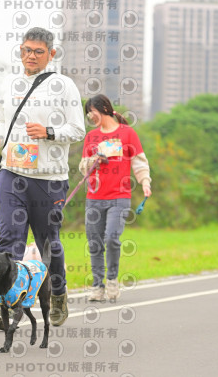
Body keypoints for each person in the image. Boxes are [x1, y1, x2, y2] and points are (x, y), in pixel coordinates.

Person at [0, 27, 85, 327]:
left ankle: (58, 293)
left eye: (38, 52)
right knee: (8, 238)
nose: (31, 56)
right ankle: (5, 301)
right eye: (26, 50)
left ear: (51, 54)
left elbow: (77, 129)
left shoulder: (63, 86)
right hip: (12, 172)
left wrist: (49, 132)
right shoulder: (9, 83)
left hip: (48, 178)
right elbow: (2, 122)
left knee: (47, 243)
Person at [79, 95, 151, 301]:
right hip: (94, 197)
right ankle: (97, 286)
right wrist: (94, 160)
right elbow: (83, 167)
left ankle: (111, 279)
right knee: (94, 243)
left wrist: (145, 182)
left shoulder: (127, 133)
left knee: (111, 238)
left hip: (119, 197)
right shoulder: (91, 136)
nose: (90, 117)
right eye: (88, 114)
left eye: (92, 112)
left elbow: (139, 161)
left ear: (103, 108)